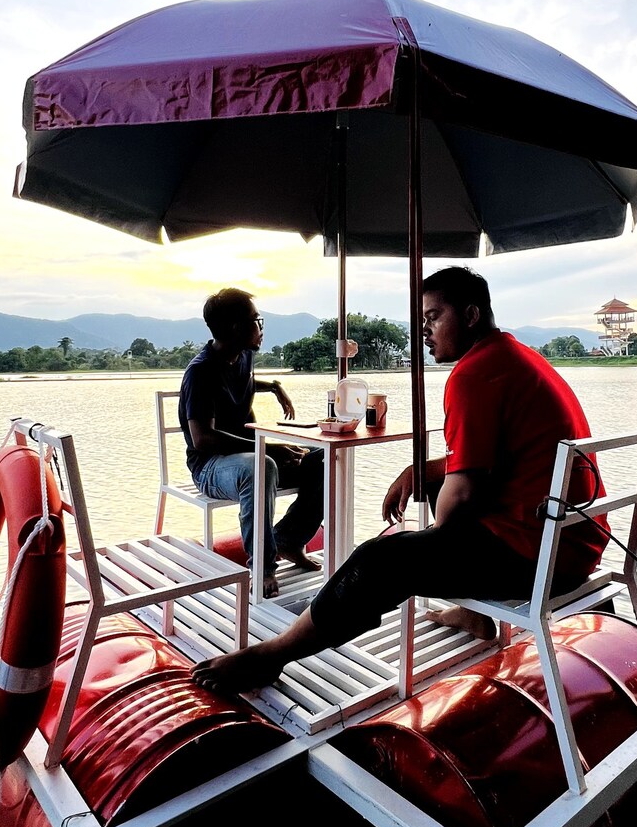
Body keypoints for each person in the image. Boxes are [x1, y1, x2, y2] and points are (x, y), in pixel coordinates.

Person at [193, 266, 608, 693]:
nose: (424, 331)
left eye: (433, 317)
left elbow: (457, 503)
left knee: (380, 559)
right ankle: (474, 613)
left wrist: (419, 540)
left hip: (537, 559)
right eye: (422, 320)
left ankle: (269, 656)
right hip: (573, 542)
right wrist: (421, 472)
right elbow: (496, 462)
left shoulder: (474, 375)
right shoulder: (513, 357)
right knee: (427, 491)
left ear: (469, 316)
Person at [180, 288, 324, 594]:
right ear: (235, 328)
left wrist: (273, 386)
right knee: (262, 467)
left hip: (251, 454)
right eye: (257, 320)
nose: (261, 328)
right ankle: (262, 566)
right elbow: (203, 438)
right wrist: (267, 448)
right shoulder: (199, 372)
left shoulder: (242, 355)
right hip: (211, 466)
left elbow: (238, 381)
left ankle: (289, 538)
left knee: (322, 456)